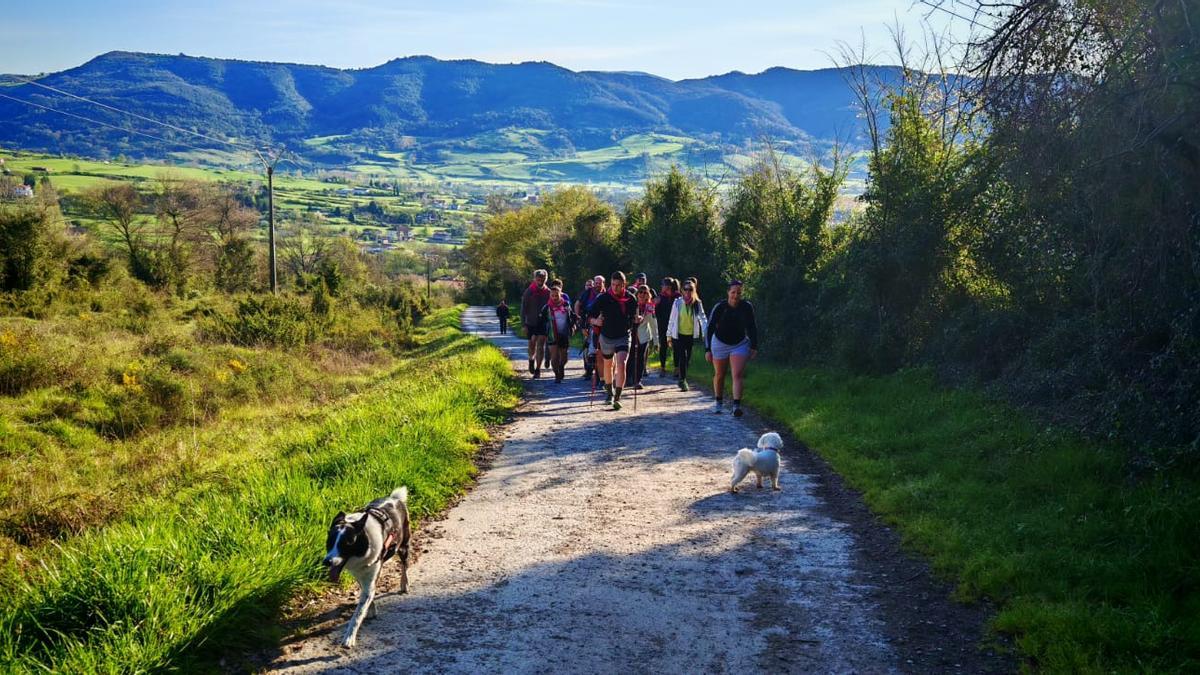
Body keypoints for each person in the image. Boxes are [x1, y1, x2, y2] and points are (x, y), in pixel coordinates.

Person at [706, 280, 759, 417]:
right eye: (733, 292)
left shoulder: (746, 307)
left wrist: (754, 346)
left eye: (739, 293)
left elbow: (752, 327)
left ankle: (736, 406)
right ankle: (718, 402)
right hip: (720, 342)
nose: (736, 296)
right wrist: (707, 349)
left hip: (739, 343)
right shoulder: (720, 307)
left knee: (737, 374)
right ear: (728, 293)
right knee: (720, 374)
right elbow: (710, 327)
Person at [587, 271, 638, 410]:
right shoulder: (603, 298)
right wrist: (595, 321)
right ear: (610, 284)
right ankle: (609, 393)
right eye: (613, 285)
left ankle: (618, 397)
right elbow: (589, 315)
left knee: (621, 363)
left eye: (619, 285)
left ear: (624, 285)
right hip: (606, 336)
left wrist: (636, 320)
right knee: (608, 364)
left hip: (623, 335)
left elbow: (634, 317)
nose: (616, 288)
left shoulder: (631, 298)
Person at [666, 279, 707, 392]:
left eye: (691, 289)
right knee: (683, 357)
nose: (688, 292)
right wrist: (668, 335)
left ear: (694, 291)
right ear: (682, 290)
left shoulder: (697, 303)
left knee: (687, 359)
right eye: (686, 289)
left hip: (690, 335)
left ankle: (682, 375)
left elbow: (702, 318)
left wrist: (705, 333)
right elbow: (672, 319)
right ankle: (682, 380)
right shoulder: (677, 302)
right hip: (678, 335)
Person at [537, 280, 576, 383]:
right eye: (552, 296)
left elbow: (571, 316)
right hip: (552, 335)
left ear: (560, 295)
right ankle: (557, 374)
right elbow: (541, 321)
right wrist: (543, 333)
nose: (554, 298)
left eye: (556, 295)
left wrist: (573, 325)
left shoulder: (566, 305)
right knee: (554, 356)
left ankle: (561, 366)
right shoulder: (547, 308)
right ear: (550, 296)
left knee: (564, 356)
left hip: (564, 333)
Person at [520, 269, 551, 378]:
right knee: (532, 343)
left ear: (545, 279)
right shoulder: (529, 292)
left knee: (540, 345)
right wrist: (523, 324)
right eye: (538, 279)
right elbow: (523, 309)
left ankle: (538, 369)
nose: (540, 281)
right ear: (535, 279)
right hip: (531, 322)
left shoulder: (548, 292)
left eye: (542, 279)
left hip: (543, 322)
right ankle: (531, 359)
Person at [575, 275, 606, 380]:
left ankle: (599, 374)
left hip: (602, 326)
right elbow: (578, 305)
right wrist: (579, 319)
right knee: (588, 348)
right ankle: (588, 370)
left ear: (603, 283)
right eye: (596, 283)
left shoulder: (607, 294)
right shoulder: (587, 293)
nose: (597, 285)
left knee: (598, 350)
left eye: (599, 283)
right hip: (588, 323)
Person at [629, 285, 658, 390]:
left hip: (644, 336)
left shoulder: (650, 307)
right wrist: (633, 320)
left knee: (640, 358)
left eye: (645, 292)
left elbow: (654, 324)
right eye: (640, 292)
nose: (642, 294)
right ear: (637, 294)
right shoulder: (632, 304)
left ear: (648, 295)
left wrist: (656, 342)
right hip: (632, 334)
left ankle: (637, 380)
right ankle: (628, 378)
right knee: (631, 356)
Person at [654, 277, 678, 377]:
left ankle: (677, 368)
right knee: (663, 346)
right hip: (663, 326)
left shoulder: (677, 297)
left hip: (675, 325)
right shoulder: (660, 297)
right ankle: (663, 368)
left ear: (668, 286)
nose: (662, 287)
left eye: (663, 285)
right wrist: (655, 304)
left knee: (676, 346)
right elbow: (653, 312)